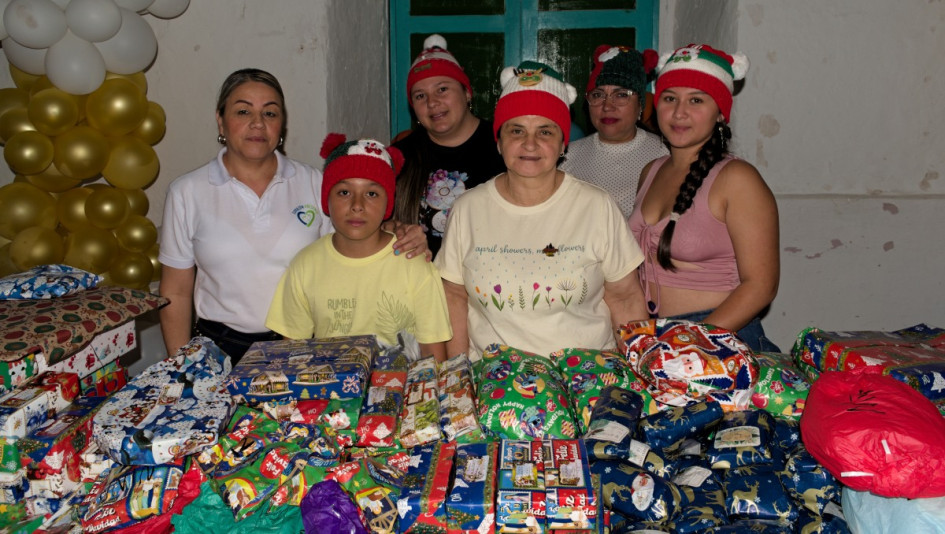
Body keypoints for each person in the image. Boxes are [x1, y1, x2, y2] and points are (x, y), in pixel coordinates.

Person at [159, 69, 427, 363]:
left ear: (281, 124)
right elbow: (177, 291)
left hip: (306, 347)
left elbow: (353, 242)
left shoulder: (315, 183)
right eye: (243, 111)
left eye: (270, 113)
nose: (257, 123)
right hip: (219, 350)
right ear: (220, 120)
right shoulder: (187, 192)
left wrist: (398, 232)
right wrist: (179, 366)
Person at [435, 60, 650, 360]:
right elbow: (454, 297)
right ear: (499, 141)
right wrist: (459, 375)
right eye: (517, 131)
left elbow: (625, 297)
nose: (530, 144)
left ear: (564, 143)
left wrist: (639, 370)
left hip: (586, 377)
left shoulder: (597, 207)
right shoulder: (468, 209)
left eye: (546, 132)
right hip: (495, 382)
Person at [627, 44, 780, 352]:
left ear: (720, 112)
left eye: (696, 100)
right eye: (670, 98)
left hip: (718, 339)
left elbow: (761, 286)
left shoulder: (737, 179)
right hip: (654, 336)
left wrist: (691, 343)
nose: (679, 112)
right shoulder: (651, 171)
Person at [266, 134, 452, 361]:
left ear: (387, 203)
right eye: (344, 192)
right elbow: (293, 355)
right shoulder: (304, 266)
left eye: (371, 194)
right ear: (327, 200)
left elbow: (435, 358)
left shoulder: (414, 262)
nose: (357, 206)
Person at [391, 34, 506, 257]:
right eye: (420, 95)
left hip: (492, 279)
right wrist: (392, 228)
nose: (432, 102)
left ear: (467, 92)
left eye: (442, 89)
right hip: (422, 281)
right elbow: (376, 224)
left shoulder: (505, 146)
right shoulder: (400, 156)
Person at [560, 45, 668, 219]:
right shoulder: (565, 156)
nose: (607, 106)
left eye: (621, 95)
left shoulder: (665, 154)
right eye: (597, 95)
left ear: (640, 104)